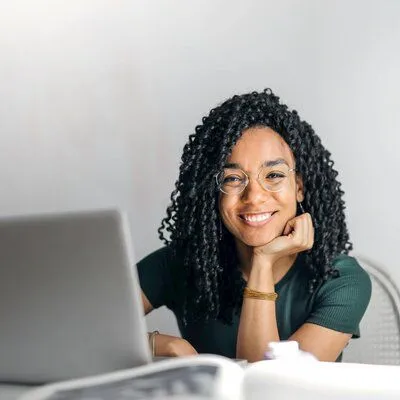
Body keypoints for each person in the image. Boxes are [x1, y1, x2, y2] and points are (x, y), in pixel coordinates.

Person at [137, 89, 371, 362]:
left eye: (273, 175)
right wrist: (160, 344)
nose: (255, 196)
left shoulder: (341, 280)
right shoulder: (181, 263)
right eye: (233, 179)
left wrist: (263, 261)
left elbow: (270, 388)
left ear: (299, 187)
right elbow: (82, 330)